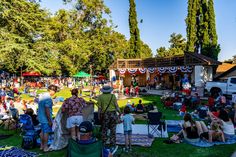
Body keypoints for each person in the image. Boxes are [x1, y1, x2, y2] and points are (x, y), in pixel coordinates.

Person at [97, 85, 121, 153]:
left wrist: (99, 115)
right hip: (113, 114)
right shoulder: (113, 96)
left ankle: (103, 145)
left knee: (104, 130)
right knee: (113, 130)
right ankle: (112, 145)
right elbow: (116, 105)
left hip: (105, 115)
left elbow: (99, 108)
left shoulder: (100, 97)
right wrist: (119, 112)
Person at [38, 85, 58, 152]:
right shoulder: (48, 99)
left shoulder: (42, 95)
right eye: (55, 91)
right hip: (45, 118)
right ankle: (45, 147)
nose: (55, 92)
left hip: (40, 116)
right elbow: (47, 110)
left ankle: (41, 146)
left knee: (42, 132)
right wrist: (50, 120)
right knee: (46, 132)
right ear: (52, 90)